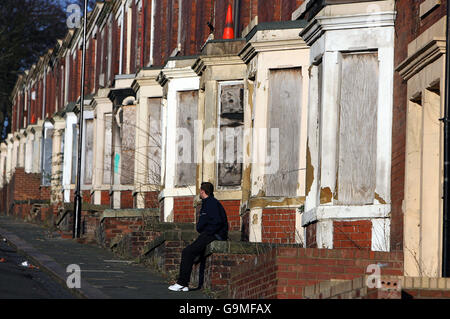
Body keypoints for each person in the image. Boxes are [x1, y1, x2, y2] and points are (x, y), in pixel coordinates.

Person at [168, 182, 228, 292]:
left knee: (187, 252)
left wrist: (208, 232)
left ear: (202, 191)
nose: (199, 192)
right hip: (209, 234)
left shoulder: (211, 203)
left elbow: (217, 222)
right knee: (191, 253)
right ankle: (184, 284)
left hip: (214, 235)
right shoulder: (207, 203)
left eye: (200, 190)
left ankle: (181, 283)